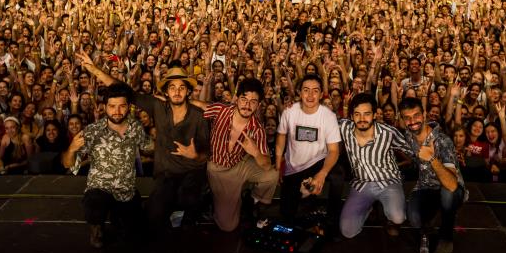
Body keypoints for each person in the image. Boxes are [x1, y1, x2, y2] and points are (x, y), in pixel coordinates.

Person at [77, 52, 210, 232]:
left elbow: (206, 155)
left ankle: (195, 207)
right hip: (166, 175)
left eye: (181, 88)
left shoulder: (199, 116)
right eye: (172, 87)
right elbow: (125, 91)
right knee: (152, 217)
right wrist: (93, 69)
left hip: (192, 174)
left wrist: (195, 155)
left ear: (188, 91)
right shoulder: (157, 106)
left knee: (189, 201)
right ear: (166, 91)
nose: (177, 92)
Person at [62, 83, 148, 248]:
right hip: (99, 189)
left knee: (132, 235)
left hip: (125, 191)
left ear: (129, 107)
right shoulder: (92, 131)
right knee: (94, 204)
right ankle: (96, 228)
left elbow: (148, 146)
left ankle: (119, 217)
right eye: (112, 106)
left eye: (122, 106)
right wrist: (72, 148)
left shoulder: (136, 127)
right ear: (105, 107)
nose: (117, 111)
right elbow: (68, 164)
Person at [192, 77, 277, 232]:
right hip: (218, 170)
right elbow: (196, 104)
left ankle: (251, 200)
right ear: (237, 99)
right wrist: (168, 98)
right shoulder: (221, 110)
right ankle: (222, 199)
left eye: (253, 101)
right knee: (228, 226)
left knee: (272, 175)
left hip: (240, 164)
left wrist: (255, 152)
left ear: (258, 105)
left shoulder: (257, 129)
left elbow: (266, 164)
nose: (247, 105)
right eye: (244, 99)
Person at [399, 97, 465, 253]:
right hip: (425, 186)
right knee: (413, 220)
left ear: (425, 114)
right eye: (407, 117)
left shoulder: (443, 141)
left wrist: (432, 159)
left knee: (447, 195)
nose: (412, 121)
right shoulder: (408, 135)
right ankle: (435, 212)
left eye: (416, 116)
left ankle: (446, 239)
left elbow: (451, 184)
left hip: (451, 188)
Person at [276, 74, 344, 233]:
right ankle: (306, 200)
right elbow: (281, 135)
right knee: (287, 218)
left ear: (321, 94)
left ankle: (332, 221)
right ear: (299, 92)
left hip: (317, 161)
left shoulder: (328, 116)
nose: (311, 95)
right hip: (294, 166)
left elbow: (334, 151)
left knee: (338, 174)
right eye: (306, 90)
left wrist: (322, 173)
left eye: (315, 91)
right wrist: (279, 162)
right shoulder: (289, 111)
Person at [338, 93, 412, 239]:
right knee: (347, 231)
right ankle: (369, 208)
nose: (362, 119)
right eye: (357, 114)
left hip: (389, 181)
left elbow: (411, 149)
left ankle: (388, 214)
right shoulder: (344, 128)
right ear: (351, 116)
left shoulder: (388, 133)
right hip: (362, 183)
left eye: (366, 114)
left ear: (374, 115)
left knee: (398, 217)